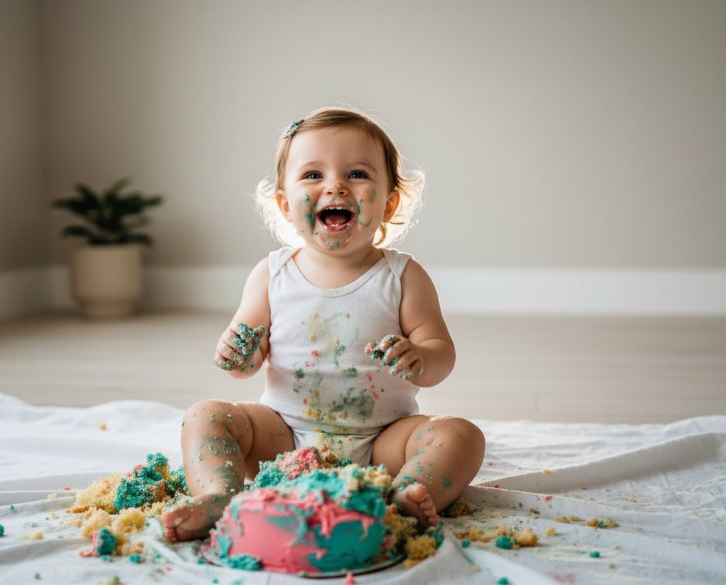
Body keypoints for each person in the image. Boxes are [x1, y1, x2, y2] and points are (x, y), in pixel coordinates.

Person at [161, 106, 486, 541]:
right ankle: (220, 494)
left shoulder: (402, 276)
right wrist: (236, 356)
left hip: (382, 443)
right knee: (204, 416)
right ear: (284, 205)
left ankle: (404, 495)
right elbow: (246, 361)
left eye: (356, 174)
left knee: (461, 435)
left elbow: (441, 354)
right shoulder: (271, 274)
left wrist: (420, 357)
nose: (334, 184)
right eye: (313, 175)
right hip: (283, 436)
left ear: (389, 203)